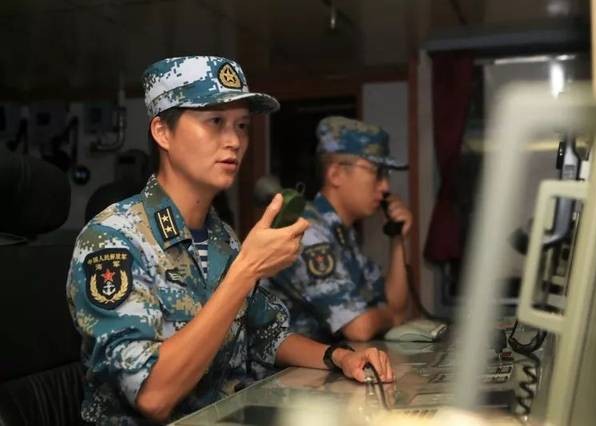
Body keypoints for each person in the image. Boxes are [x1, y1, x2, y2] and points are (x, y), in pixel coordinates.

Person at [66, 57, 394, 425]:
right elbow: (153, 396)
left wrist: (341, 357)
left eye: (242, 126)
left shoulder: (220, 236)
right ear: (163, 132)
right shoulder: (112, 240)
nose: (235, 141)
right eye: (215, 122)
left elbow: (267, 334)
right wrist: (246, 271)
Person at [264, 116, 413, 343]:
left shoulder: (342, 233)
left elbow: (394, 304)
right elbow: (358, 327)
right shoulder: (308, 230)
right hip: (287, 365)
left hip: (324, 361)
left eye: (386, 175)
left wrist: (398, 239)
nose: (385, 187)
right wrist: (391, 317)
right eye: (377, 172)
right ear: (335, 174)